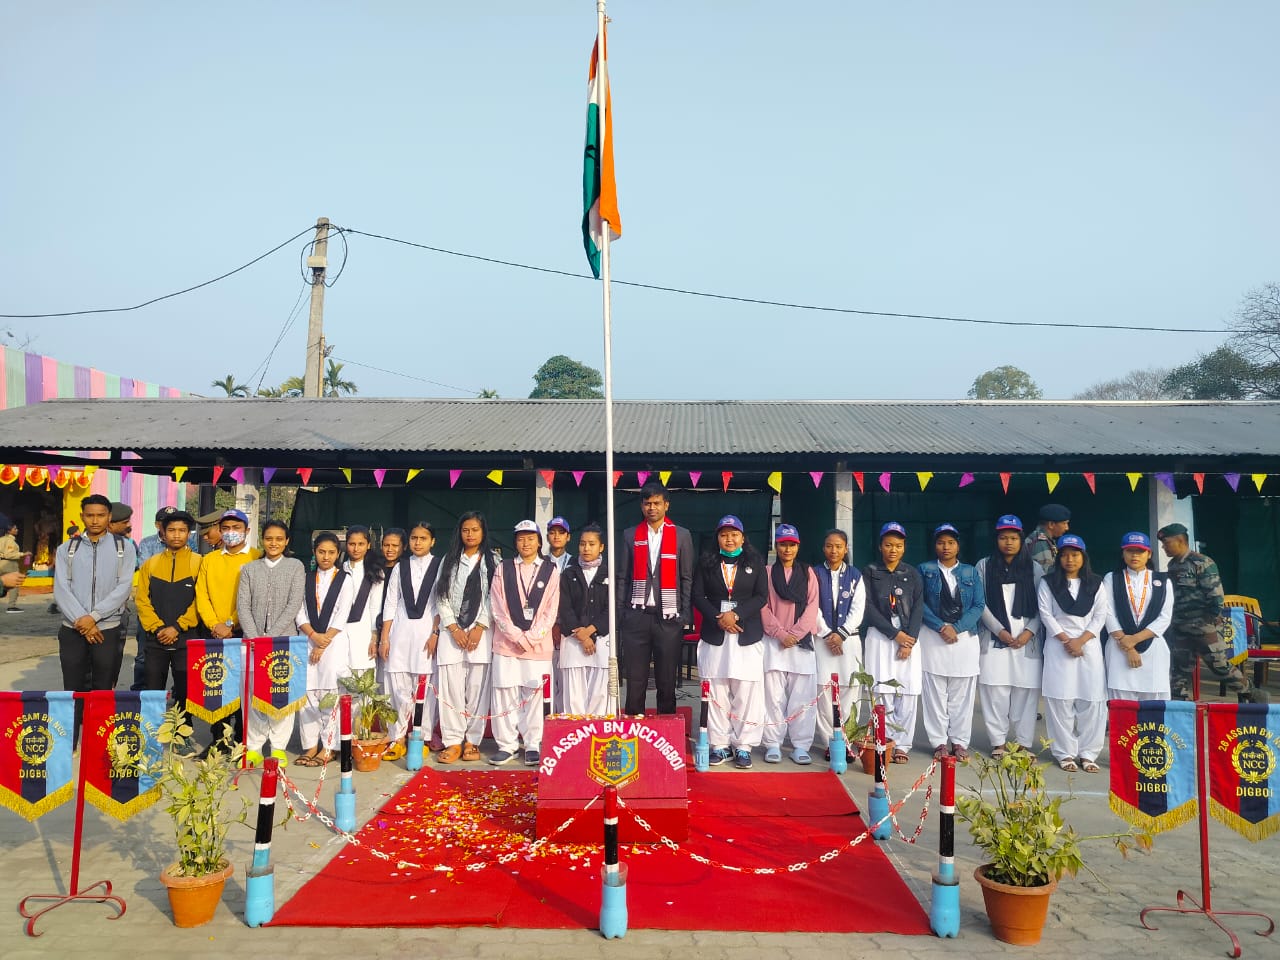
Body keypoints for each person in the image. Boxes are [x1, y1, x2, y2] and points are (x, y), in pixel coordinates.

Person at [52, 494, 137, 732]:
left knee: (102, 685)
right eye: (90, 515)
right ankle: (71, 738)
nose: (95, 520)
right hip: (72, 628)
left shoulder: (124, 549)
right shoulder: (66, 549)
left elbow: (123, 588)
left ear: (109, 517)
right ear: (82, 517)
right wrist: (83, 621)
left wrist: (95, 617)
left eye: (100, 515)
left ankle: (97, 736)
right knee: (73, 685)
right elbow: (61, 588)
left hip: (107, 628)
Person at [692, 515, 770, 768]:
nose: (729, 538)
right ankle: (719, 745)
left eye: (734, 534)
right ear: (717, 538)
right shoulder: (706, 563)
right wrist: (719, 618)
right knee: (716, 690)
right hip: (716, 634)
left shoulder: (755, 562)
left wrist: (735, 615)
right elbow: (697, 595)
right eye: (724, 534)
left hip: (745, 635)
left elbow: (761, 597)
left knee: (746, 692)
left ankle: (744, 746)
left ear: (743, 537)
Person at [1157, 523, 1263, 703]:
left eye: (1166, 542)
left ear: (1181, 540)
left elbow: (1216, 598)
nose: (1163, 547)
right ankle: (1178, 706)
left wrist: (1208, 623)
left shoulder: (1202, 563)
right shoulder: (1173, 565)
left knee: (1220, 666)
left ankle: (1253, 694)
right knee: (1179, 669)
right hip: (1180, 627)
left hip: (1204, 628)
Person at [616, 482, 695, 715]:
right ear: (642, 506)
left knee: (667, 679)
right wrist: (622, 613)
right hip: (636, 615)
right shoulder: (630, 535)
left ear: (666, 505)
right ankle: (633, 731)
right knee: (636, 679)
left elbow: (687, 577)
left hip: (669, 617)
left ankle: (666, 732)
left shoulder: (681, 535)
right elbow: (623, 576)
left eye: (657, 503)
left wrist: (684, 615)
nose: (652, 507)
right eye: (648, 503)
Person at [489, 520, 560, 765]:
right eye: (521, 538)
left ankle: (532, 743)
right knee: (504, 693)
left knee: (534, 694)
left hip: (537, 646)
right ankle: (506, 745)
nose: (526, 543)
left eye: (531, 538)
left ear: (539, 541)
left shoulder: (550, 570)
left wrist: (529, 639)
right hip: (506, 645)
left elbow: (551, 611)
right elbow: (497, 608)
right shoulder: (503, 568)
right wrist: (516, 637)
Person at [237, 520, 307, 765]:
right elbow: (242, 606)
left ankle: (278, 746)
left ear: (286, 541)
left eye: (279, 539)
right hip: (252, 642)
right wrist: (255, 636)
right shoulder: (249, 569)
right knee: (253, 694)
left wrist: (269, 638)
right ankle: (254, 747)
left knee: (281, 693)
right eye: (269, 538)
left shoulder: (295, 566)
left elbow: (294, 605)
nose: (274, 543)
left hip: (284, 642)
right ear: (262, 540)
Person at [1037, 534, 1108, 773]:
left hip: (1089, 647)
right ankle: (1064, 753)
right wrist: (1067, 640)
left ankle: (1088, 753)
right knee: (1060, 701)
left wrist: (1081, 641)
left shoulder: (1096, 583)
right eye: (1065, 555)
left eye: (1075, 555)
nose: (1070, 559)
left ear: (1083, 557)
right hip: (1059, 647)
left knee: (1092, 702)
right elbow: (1046, 615)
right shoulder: (1048, 583)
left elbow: (1100, 616)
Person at [975, 516, 1044, 757]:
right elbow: (979, 603)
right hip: (994, 640)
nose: (1009, 543)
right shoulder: (984, 566)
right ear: (996, 540)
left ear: (1021, 540)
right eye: (1003, 538)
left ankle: (1023, 744)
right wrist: (1000, 631)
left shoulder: (1034, 568)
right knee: (995, 692)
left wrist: (1029, 632)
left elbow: (1041, 605)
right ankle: (999, 743)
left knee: (1026, 694)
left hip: (1027, 643)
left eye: (1014, 538)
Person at [194, 508, 261, 751]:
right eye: (227, 528)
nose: (231, 533)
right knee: (217, 686)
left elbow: (254, 598)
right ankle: (219, 740)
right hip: (214, 632)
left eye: (237, 528)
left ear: (247, 531)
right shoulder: (209, 560)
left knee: (244, 687)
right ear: (220, 531)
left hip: (243, 631)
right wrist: (214, 624)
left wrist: (231, 624)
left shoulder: (256, 557)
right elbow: (202, 595)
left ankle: (244, 740)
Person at [918, 523, 985, 762]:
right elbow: (919, 603)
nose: (945, 547)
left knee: (962, 694)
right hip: (933, 637)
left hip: (964, 639)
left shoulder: (969, 572)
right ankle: (938, 742)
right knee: (934, 692)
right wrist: (941, 626)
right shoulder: (925, 569)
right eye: (940, 542)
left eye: (950, 542)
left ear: (958, 545)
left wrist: (956, 628)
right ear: (934, 545)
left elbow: (978, 605)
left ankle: (959, 741)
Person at [435, 514, 497, 763]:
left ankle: (472, 740)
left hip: (480, 632)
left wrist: (480, 626)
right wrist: (452, 626)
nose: (470, 534)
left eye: (474, 530)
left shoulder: (493, 561)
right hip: (453, 634)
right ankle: (452, 741)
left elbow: (495, 597)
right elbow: (441, 596)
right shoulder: (448, 561)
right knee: (451, 688)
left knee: (477, 688)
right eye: (465, 530)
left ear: (483, 532)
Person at [861, 522, 924, 763]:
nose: (893, 550)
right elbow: (867, 607)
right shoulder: (870, 571)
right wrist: (893, 634)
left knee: (907, 691)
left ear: (904, 547)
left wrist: (909, 640)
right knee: (882, 688)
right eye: (888, 545)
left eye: (898, 545)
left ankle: (903, 746)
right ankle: (885, 739)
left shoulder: (912, 573)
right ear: (880, 546)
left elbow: (918, 606)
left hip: (908, 639)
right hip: (881, 636)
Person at [380, 521, 442, 762]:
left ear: (432, 541)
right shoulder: (400, 567)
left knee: (424, 687)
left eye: (423, 538)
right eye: (414, 538)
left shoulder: (439, 565)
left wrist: (435, 633)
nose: (418, 542)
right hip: (400, 633)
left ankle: (422, 736)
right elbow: (391, 602)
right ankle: (396, 737)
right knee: (398, 686)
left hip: (427, 633)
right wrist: (385, 638)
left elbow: (440, 602)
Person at [759, 524, 820, 765]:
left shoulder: (807, 573)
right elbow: (762, 606)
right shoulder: (765, 572)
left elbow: (813, 605)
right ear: (776, 545)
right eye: (783, 543)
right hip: (775, 642)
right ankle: (772, 743)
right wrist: (780, 633)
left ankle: (800, 745)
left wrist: (794, 633)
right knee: (772, 696)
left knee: (802, 697)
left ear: (798, 546)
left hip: (801, 642)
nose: (787, 548)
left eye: (792, 544)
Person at [295, 532, 354, 766]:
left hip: (334, 642)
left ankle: (329, 746)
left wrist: (323, 641)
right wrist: (313, 636)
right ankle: (310, 745)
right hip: (308, 639)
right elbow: (299, 612)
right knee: (307, 695)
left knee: (330, 695)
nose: (326, 557)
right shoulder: (307, 578)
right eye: (321, 552)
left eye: (331, 552)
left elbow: (342, 614)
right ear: (314, 552)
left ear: (338, 554)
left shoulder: (344, 579)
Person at [134, 510, 200, 715]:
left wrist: (178, 627)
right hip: (156, 638)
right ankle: (152, 734)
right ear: (162, 533)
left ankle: (182, 732)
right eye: (171, 530)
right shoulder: (150, 564)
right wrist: (159, 628)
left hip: (187, 637)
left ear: (189, 534)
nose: (177, 535)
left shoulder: (199, 563)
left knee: (185, 690)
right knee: (153, 688)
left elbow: (202, 601)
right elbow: (142, 600)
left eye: (182, 530)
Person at [812, 529, 865, 763]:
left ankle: (846, 741)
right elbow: (811, 607)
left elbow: (858, 609)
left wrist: (841, 635)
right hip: (823, 641)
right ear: (823, 548)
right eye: (829, 546)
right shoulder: (814, 574)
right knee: (823, 691)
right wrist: (827, 635)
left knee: (849, 689)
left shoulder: (855, 575)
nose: (834, 551)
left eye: (839, 546)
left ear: (846, 549)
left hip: (849, 641)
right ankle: (829, 742)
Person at [1103, 532, 1173, 701]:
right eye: (1130, 550)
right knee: (1121, 703)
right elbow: (1107, 612)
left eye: (1140, 551)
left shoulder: (1163, 581)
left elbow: (1165, 617)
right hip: (1119, 647)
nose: (1135, 555)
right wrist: (1128, 647)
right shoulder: (1112, 578)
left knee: (1154, 704)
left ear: (1149, 554)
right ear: (1123, 553)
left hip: (1153, 649)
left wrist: (1133, 640)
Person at [557, 523, 612, 716]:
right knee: (573, 695)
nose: (586, 548)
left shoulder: (610, 574)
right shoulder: (568, 573)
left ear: (601, 547)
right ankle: (574, 738)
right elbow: (564, 607)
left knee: (599, 694)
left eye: (591, 544)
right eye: (582, 544)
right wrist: (581, 634)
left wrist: (591, 630)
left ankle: (595, 736)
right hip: (573, 640)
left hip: (602, 640)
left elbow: (614, 608)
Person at [341, 525, 385, 679]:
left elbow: (375, 606)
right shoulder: (339, 569)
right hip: (339, 632)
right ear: (346, 545)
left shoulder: (375, 571)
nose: (356, 549)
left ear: (368, 545)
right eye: (352, 544)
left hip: (364, 631)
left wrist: (374, 638)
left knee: (363, 681)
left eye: (360, 544)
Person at [1025, 504, 1071, 574]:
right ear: (1051, 524)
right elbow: (1045, 575)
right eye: (1064, 523)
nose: (1067, 528)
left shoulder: (1045, 540)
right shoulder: (1040, 542)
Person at [0, 516, 23, 611]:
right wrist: (23, 554)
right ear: (9, 531)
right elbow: (9, 554)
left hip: (1, 563)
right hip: (9, 564)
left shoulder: (1, 539)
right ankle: (11, 606)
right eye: (15, 528)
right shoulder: (10, 541)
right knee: (14, 583)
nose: (17, 530)